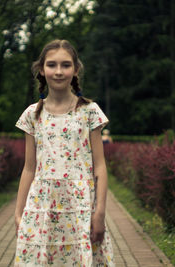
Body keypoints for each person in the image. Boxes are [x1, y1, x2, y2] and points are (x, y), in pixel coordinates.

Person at [14, 39, 114, 266]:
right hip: (42, 208)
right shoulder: (32, 115)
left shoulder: (89, 112)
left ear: (76, 69)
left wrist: (99, 213)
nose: (58, 71)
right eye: (52, 65)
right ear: (41, 69)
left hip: (80, 210)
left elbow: (100, 166)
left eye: (66, 65)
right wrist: (19, 214)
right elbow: (29, 168)